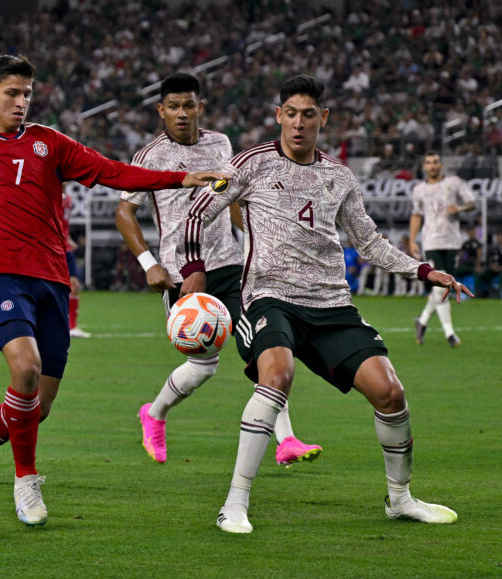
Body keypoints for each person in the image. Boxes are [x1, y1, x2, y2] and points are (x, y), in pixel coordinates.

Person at [0, 55, 225, 527]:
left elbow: (112, 172)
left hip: (51, 278)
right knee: (25, 369)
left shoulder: (50, 143)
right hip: (1, 274)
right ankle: (26, 480)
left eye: (27, 93)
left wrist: (180, 178)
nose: (21, 102)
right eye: (12, 92)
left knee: (37, 408)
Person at [178, 75, 470, 534]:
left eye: (308, 115)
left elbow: (369, 241)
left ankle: (401, 499)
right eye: (290, 113)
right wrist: (193, 268)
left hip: (331, 305)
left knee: (390, 392)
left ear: (323, 119)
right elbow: (197, 211)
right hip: (268, 297)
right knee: (277, 374)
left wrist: (421, 269)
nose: (298, 123)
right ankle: (234, 503)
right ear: (278, 116)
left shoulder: (339, 176)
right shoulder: (250, 164)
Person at [115, 73, 321, 466]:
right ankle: (154, 413)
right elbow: (125, 211)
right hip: (180, 272)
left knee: (263, 346)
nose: (181, 113)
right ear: (161, 110)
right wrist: (148, 263)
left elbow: (232, 199)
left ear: (200, 108)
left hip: (229, 264)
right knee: (203, 364)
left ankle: (287, 440)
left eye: (188, 105)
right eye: (173, 106)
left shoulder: (220, 143)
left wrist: (261, 241)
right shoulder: (149, 156)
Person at [408, 151, 476, 347]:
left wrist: (460, 209)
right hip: (431, 242)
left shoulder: (454, 183)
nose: (432, 166)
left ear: (441, 165)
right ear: (424, 167)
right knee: (444, 286)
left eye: (435, 162)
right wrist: (413, 240)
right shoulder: (419, 189)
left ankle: (421, 321)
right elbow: (416, 215)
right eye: (428, 162)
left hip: (452, 241)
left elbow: (471, 202)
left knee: (443, 287)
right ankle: (450, 334)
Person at [62, 187, 90, 338]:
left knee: (74, 285)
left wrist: (68, 239)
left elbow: (64, 224)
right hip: (56, 248)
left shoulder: (68, 198)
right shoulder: (49, 195)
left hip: (65, 248)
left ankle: (72, 326)